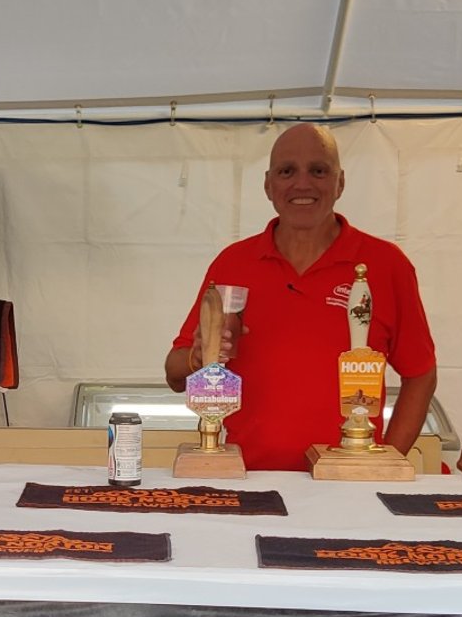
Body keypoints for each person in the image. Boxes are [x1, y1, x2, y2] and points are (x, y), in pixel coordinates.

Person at [163, 124, 436, 471]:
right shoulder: (233, 263)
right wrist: (201, 357)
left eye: (318, 171)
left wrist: (387, 460)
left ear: (340, 182)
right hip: (247, 480)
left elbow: (421, 373)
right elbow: (174, 373)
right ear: (268, 184)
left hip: (346, 483)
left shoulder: (387, 265)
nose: (302, 184)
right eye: (287, 171)